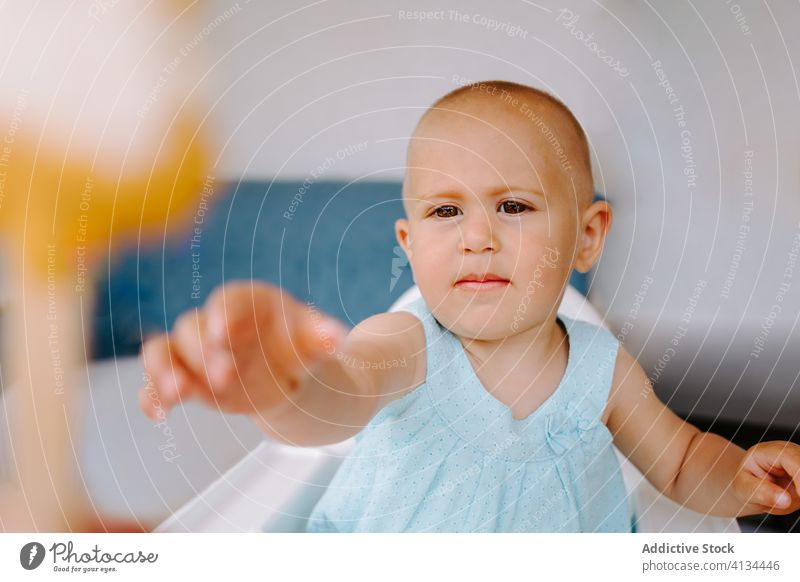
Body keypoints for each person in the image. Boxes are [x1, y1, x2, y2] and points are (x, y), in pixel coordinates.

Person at [139, 80, 800, 532]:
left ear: (587, 236)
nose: (477, 236)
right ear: (409, 240)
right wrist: (277, 379)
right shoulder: (404, 344)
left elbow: (682, 462)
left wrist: (741, 478)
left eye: (512, 206)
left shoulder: (604, 368)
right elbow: (338, 392)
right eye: (445, 211)